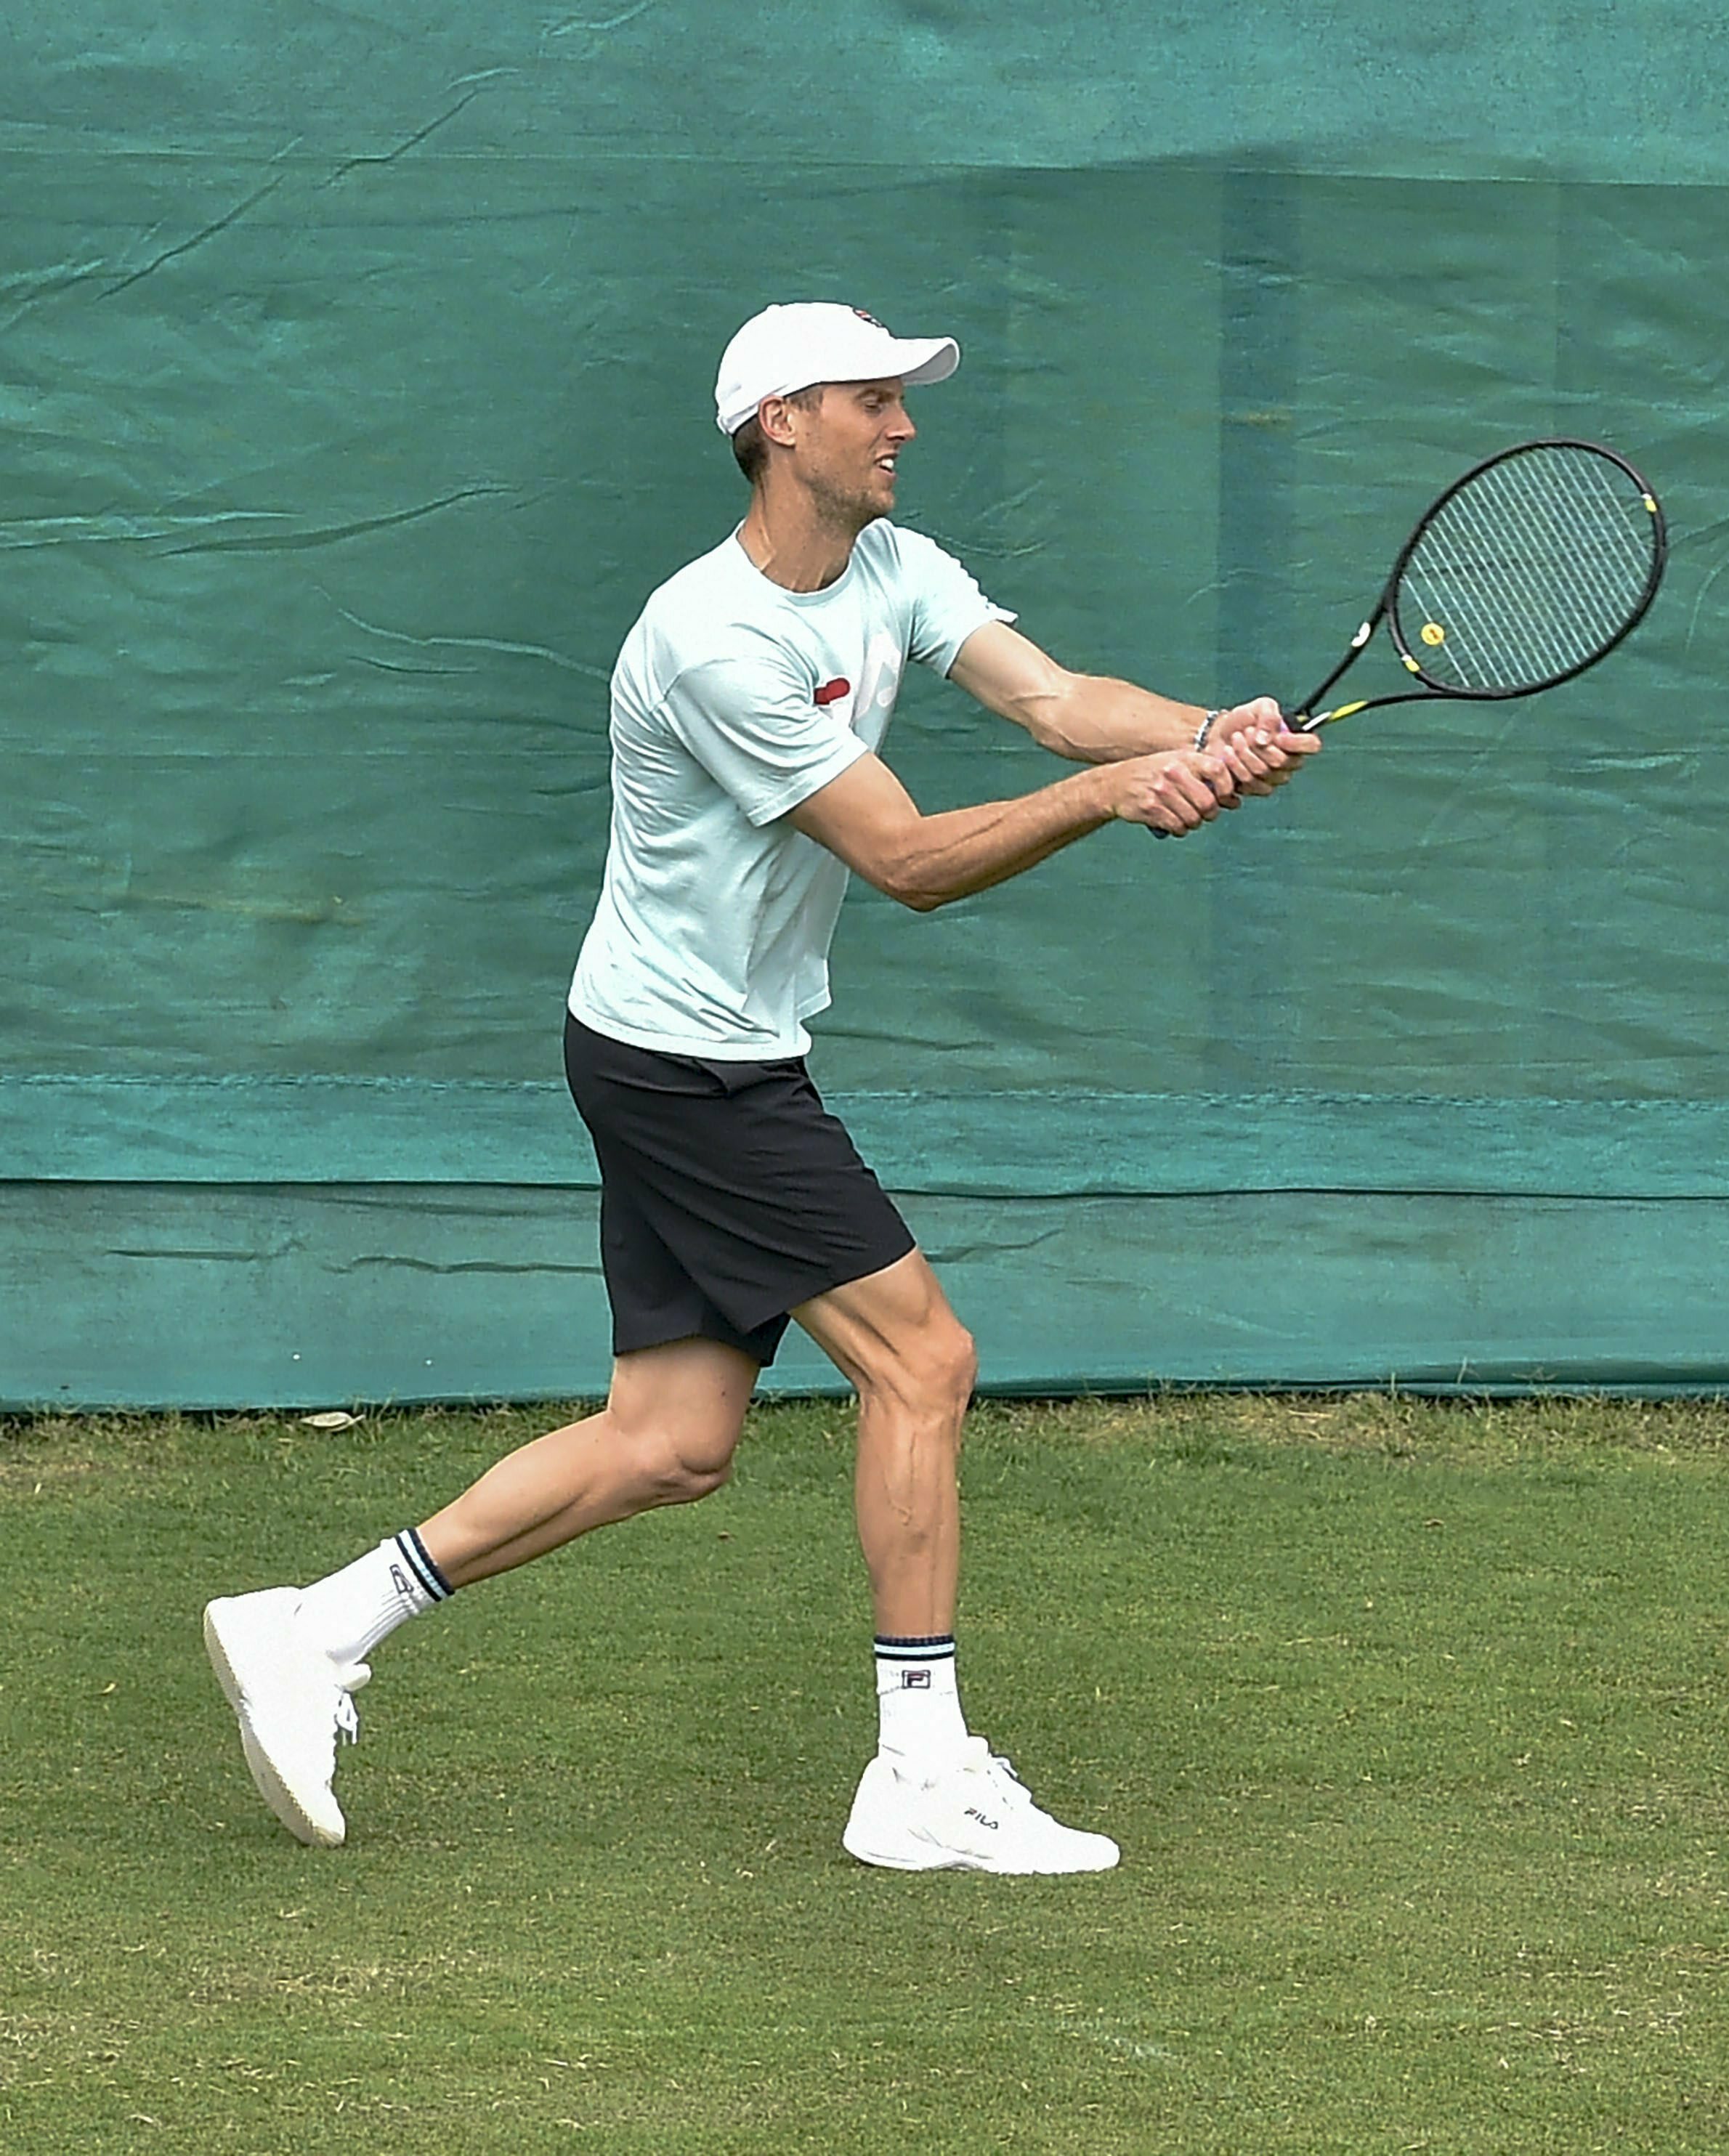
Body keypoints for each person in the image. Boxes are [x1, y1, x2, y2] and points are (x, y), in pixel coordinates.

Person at [202, 301, 1316, 1871]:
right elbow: (910, 859)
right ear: (780, 420)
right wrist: (1111, 795)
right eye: (874, 398)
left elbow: (1057, 697)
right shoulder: (709, 638)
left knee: (670, 1438)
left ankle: (314, 1625)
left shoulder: (896, 569)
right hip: (686, 1068)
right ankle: (918, 1768)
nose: (904, 424)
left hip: (687, 1046)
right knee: (923, 1360)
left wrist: (1204, 732)